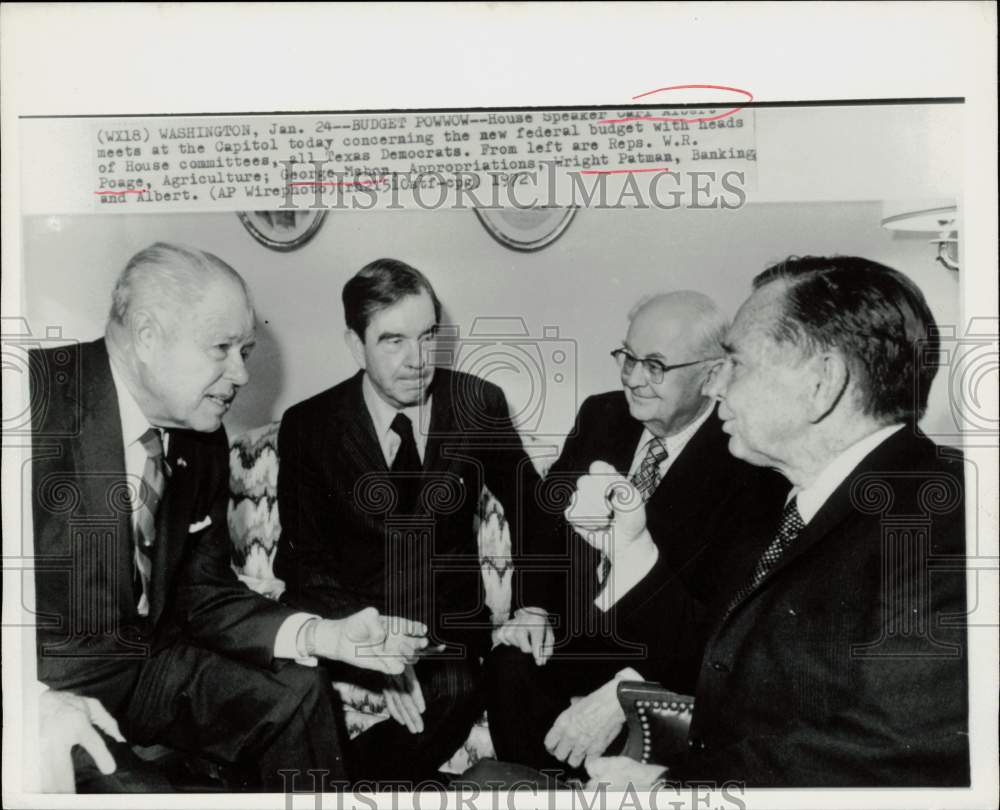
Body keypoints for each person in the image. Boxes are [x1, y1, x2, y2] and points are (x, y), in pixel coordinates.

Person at [30, 242, 427, 792]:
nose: (240, 374)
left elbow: (202, 590)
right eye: (222, 348)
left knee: (298, 692)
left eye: (245, 350)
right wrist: (32, 705)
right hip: (43, 686)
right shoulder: (31, 402)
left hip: (146, 668)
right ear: (146, 335)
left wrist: (322, 635)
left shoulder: (201, 434)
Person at [580, 256, 969, 787]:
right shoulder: (795, 500)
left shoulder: (949, 522)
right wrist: (632, 547)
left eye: (736, 365)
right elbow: (713, 656)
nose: (716, 389)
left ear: (821, 383)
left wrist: (670, 791)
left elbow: (889, 753)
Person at [484, 292, 788, 778]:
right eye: (627, 356)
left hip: (664, 655)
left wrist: (636, 685)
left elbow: (723, 621)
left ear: (712, 376)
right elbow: (545, 523)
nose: (631, 377)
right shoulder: (601, 415)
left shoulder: (746, 460)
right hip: (577, 635)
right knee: (510, 664)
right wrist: (534, 608)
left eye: (655, 365)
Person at [273, 258, 543, 785]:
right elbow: (303, 560)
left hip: (446, 630)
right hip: (351, 623)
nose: (418, 360)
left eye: (427, 337)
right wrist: (372, 642)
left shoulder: (477, 404)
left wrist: (531, 604)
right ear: (356, 344)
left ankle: (328, 789)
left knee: (456, 693)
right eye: (393, 341)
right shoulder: (309, 425)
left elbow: (534, 510)